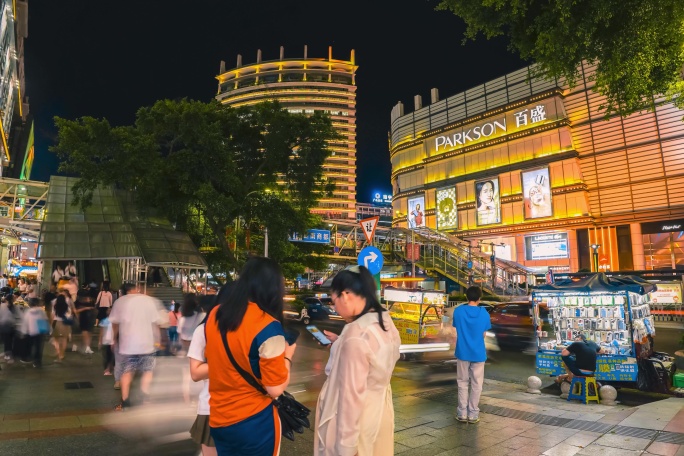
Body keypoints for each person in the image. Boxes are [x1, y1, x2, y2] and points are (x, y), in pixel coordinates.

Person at [204, 257, 296, 455]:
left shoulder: (215, 315)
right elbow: (275, 389)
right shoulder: (269, 327)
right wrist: (288, 356)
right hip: (255, 422)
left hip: (219, 418)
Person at [314, 265, 401, 456]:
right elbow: (372, 358)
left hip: (353, 423)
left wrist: (346, 448)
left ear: (345, 295)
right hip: (379, 414)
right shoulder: (385, 321)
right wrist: (339, 344)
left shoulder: (356, 332)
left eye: (334, 299)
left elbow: (350, 397)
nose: (335, 307)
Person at [187, 288, 228, 456]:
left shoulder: (251, 332)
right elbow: (195, 373)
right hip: (213, 407)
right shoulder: (204, 330)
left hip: (246, 409)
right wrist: (231, 361)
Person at [109, 283, 162, 410]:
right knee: (147, 371)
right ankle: (145, 398)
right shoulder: (148, 300)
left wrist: (113, 339)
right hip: (147, 343)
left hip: (128, 344)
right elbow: (155, 323)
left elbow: (115, 323)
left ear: (123, 292)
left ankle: (126, 401)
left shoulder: (120, 301)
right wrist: (158, 340)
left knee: (127, 372)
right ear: (136, 289)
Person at [452, 286, 491, 424]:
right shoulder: (484, 313)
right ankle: (473, 414)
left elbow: (457, 328)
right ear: (479, 298)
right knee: (477, 383)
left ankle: (462, 413)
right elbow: (484, 334)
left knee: (462, 382)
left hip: (462, 352)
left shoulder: (458, 311)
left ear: (466, 297)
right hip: (479, 353)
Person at [20, 298, 49, 367]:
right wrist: (48, 331)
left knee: (29, 346)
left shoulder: (27, 312)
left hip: (30, 332)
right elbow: (45, 320)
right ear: (37, 303)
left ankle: (27, 358)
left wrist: (23, 331)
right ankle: (37, 362)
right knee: (38, 348)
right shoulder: (41, 311)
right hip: (39, 331)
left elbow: (25, 322)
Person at [51, 294, 73, 363]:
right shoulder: (67, 307)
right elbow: (69, 316)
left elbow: (52, 316)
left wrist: (51, 325)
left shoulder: (55, 306)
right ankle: (62, 354)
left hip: (57, 323)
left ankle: (58, 353)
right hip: (66, 324)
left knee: (56, 340)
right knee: (64, 340)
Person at [74, 286, 95, 354]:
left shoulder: (89, 301)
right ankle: (86, 347)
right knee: (85, 333)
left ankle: (87, 347)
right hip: (83, 318)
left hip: (89, 318)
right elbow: (75, 311)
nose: (86, 298)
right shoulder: (77, 302)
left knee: (89, 333)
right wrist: (86, 308)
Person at [0, 295, 17, 362]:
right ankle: (7, 354)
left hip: (4, 326)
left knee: (7, 342)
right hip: (11, 326)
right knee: (8, 342)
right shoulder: (13, 306)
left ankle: (8, 356)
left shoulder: (2, 306)